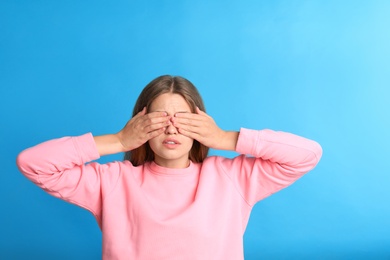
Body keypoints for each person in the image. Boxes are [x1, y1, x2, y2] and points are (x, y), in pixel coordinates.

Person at [17, 75, 322, 260]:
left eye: (184, 120)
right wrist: (120, 140)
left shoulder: (231, 177)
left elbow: (307, 154)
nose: (172, 130)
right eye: (160, 120)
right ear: (140, 123)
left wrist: (223, 137)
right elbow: (33, 163)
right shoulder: (112, 181)